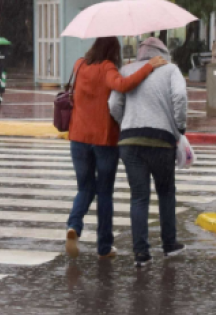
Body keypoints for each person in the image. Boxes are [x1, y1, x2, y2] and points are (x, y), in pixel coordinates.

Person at [65, 37, 167, 260]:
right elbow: (122, 85)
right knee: (104, 193)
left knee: (84, 188)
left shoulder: (79, 64)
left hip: (78, 138)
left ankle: (74, 225)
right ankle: (104, 247)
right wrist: (148, 66)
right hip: (104, 140)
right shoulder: (107, 67)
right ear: (113, 50)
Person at [108, 37, 188, 268]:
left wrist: (128, 123)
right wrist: (179, 127)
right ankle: (169, 244)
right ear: (162, 53)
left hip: (130, 141)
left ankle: (141, 253)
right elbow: (180, 97)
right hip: (161, 141)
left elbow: (113, 104)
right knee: (165, 192)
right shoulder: (171, 70)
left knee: (139, 196)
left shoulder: (126, 70)